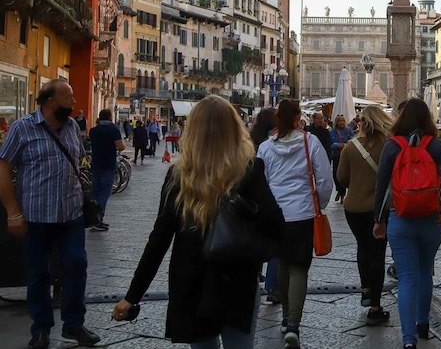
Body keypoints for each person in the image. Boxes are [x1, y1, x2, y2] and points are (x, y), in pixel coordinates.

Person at [111, 95, 285, 348]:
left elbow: (158, 240)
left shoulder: (178, 176)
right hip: (237, 280)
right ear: (234, 130)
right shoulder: (248, 169)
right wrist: (255, 254)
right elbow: (275, 224)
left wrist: (132, 296)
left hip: (191, 281)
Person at [0, 80, 101, 349]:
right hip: (36, 215)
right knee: (38, 274)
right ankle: (41, 329)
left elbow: (75, 164)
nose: (74, 103)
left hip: (71, 215)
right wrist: (12, 212)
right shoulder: (23, 128)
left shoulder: (71, 127)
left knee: (77, 265)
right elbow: (3, 167)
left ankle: (74, 325)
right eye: (69, 97)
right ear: (51, 102)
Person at [373, 98, 441, 349]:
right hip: (432, 219)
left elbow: (381, 186)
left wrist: (378, 220)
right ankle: (423, 323)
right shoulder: (436, 144)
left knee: (407, 277)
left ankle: (408, 340)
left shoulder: (392, 146)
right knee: (425, 271)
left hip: (400, 218)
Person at [258, 100, 333, 348]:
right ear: (297, 117)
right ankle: (293, 324)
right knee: (299, 268)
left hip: (276, 214)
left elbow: (262, 182)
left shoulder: (266, 148)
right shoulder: (310, 142)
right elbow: (324, 179)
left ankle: (284, 318)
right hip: (302, 213)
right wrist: (319, 205)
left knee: (280, 263)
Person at [337, 106, 394, 325]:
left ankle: (366, 291)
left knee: (362, 247)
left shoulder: (351, 148)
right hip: (380, 209)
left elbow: (341, 178)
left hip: (354, 208)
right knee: (377, 253)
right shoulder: (390, 146)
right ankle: (375, 306)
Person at [249, 107, 281, 304]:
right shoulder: (278, 140)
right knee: (275, 245)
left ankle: (254, 276)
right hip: (274, 196)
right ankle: (273, 287)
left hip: (253, 197)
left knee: (254, 240)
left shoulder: (252, 141)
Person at [87, 109, 126, 231]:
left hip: (96, 164)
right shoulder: (113, 130)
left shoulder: (93, 130)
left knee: (95, 192)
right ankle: (98, 219)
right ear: (110, 117)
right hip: (108, 164)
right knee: (104, 193)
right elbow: (121, 146)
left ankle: (92, 218)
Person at [329, 115, 355, 202]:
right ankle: (339, 191)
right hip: (336, 156)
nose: (341, 123)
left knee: (344, 174)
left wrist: (345, 144)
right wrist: (337, 145)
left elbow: (353, 140)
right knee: (335, 175)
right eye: (340, 121)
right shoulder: (332, 132)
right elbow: (330, 144)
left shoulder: (348, 131)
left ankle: (342, 194)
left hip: (346, 156)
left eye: (343, 121)